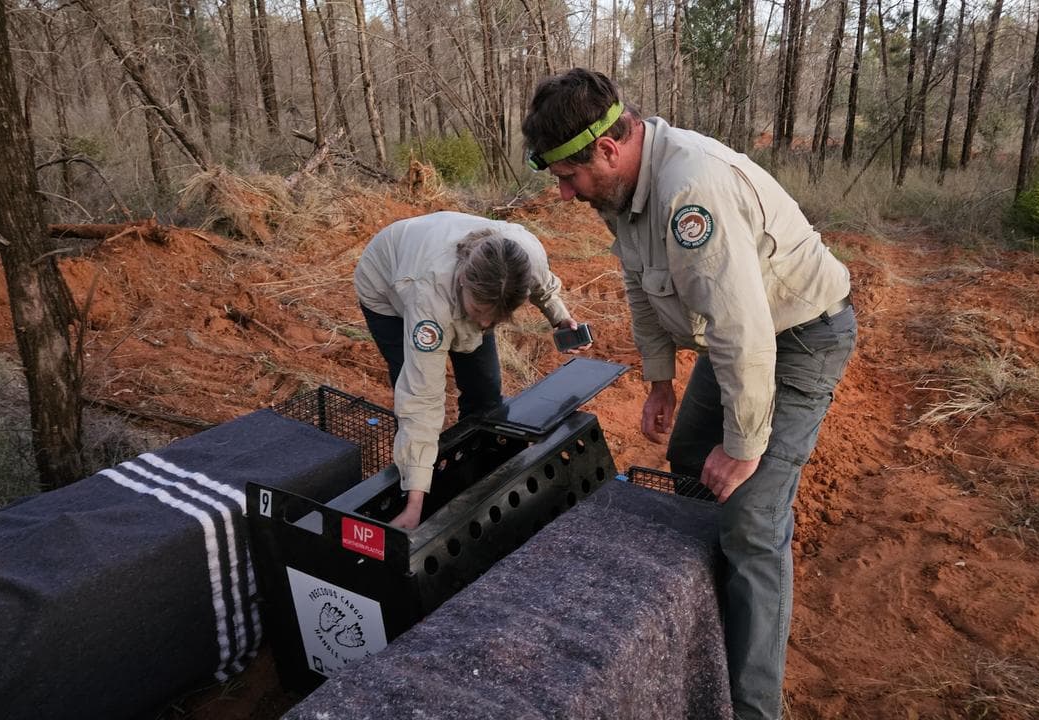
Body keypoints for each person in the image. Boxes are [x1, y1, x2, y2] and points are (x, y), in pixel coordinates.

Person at [522, 69, 857, 720]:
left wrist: (747, 445)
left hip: (798, 337)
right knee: (687, 457)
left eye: (568, 177)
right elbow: (641, 287)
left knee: (753, 522)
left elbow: (746, 334)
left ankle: (753, 704)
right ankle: (704, 608)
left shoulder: (688, 191)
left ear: (609, 148)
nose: (563, 195)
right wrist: (658, 381)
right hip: (737, 338)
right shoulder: (620, 192)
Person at [354, 211, 584, 530]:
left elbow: (540, 286)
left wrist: (559, 317)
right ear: (464, 280)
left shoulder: (525, 254)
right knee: (411, 382)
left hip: (443, 265)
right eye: (479, 312)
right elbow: (422, 401)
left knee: (485, 390)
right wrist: (415, 503)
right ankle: (411, 487)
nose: (487, 325)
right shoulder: (428, 299)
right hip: (387, 283)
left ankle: (488, 474)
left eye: (498, 317)